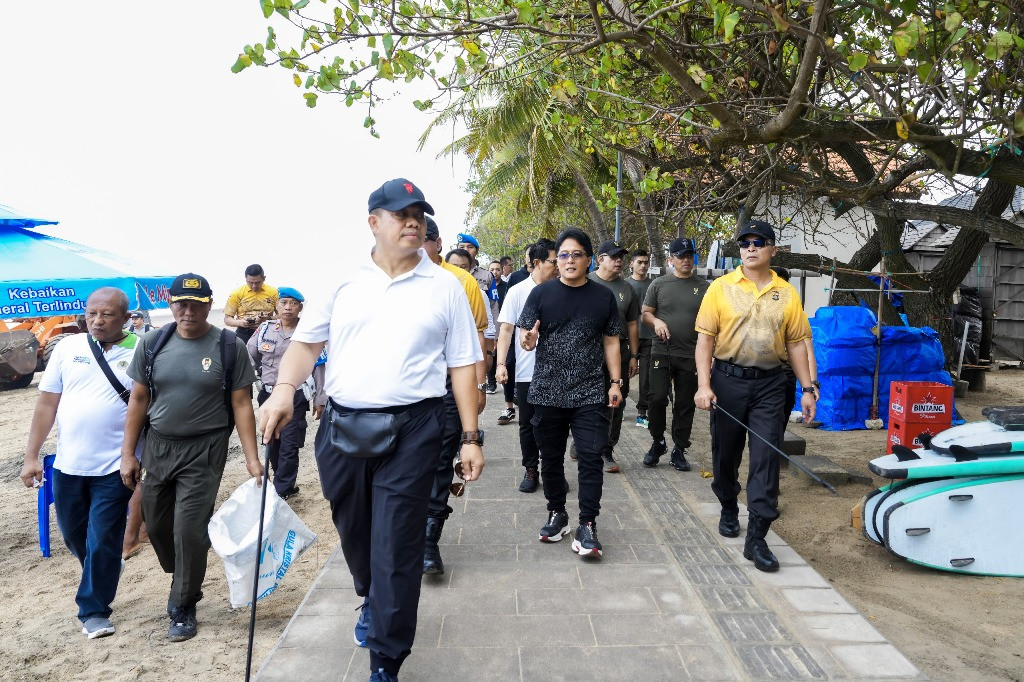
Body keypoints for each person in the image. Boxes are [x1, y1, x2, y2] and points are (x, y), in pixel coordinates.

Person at [258, 178, 483, 682]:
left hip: (415, 428)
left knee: (397, 544)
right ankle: (370, 595)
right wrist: (283, 391)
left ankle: (386, 658)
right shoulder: (343, 281)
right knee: (355, 531)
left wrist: (470, 436)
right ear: (373, 222)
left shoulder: (445, 287)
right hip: (341, 428)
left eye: (419, 215)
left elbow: (464, 365)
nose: (412, 222)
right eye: (401, 214)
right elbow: (306, 344)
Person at [120, 273, 264, 641]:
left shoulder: (229, 347)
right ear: (170, 305)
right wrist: (128, 455)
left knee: (188, 529)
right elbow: (139, 400)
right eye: (180, 303)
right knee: (158, 525)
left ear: (209, 305)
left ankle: (183, 605)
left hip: (205, 449)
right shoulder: (153, 343)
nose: (188, 311)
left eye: (196, 304)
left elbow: (242, 403)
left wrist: (252, 458)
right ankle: (183, 575)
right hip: (159, 446)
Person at [694, 220, 816, 573]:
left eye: (758, 242)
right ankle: (729, 506)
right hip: (728, 381)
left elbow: (796, 344)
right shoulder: (720, 288)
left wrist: (807, 389)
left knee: (766, 455)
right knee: (725, 454)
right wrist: (704, 385)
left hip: (771, 385)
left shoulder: (787, 294)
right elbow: (705, 341)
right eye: (744, 243)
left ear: (772, 250)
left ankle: (758, 536)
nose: (750, 248)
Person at [20, 287, 140, 640]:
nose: (98, 321)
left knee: (103, 536)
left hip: (114, 467)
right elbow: (46, 405)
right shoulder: (68, 348)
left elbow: (145, 406)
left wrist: (133, 457)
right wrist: (31, 457)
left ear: (125, 318)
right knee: (75, 534)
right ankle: (103, 569)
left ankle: (93, 610)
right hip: (68, 466)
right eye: (92, 314)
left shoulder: (140, 351)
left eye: (107, 315)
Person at [518, 227, 623, 559]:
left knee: (590, 458)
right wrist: (528, 341)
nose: (569, 260)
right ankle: (557, 513)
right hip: (547, 391)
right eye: (563, 254)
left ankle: (588, 524)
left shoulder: (603, 296)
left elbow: (611, 341)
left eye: (577, 254)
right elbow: (525, 334)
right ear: (556, 260)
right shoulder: (541, 294)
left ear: (589, 260)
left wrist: (615, 383)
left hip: (590, 391)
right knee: (549, 459)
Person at [421, 216, 489, 576]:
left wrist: (478, 388)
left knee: (438, 460)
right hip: (404, 392)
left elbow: (477, 338)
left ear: (437, 241)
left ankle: (429, 540)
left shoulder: (460, 282)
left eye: (426, 239)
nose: (419, 247)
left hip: (449, 386)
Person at [247, 286, 325, 499]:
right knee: (272, 441)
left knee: (289, 445)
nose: (288, 308)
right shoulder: (264, 330)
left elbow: (319, 366)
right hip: (268, 395)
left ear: (300, 308)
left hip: (295, 396)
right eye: (284, 303)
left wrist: (320, 398)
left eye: (293, 303)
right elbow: (248, 358)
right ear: (277, 305)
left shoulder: (309, 331)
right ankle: (283, 481)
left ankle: (282, 490)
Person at [496, 239, 559, 493]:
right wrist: (501, 364)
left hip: (558, 372)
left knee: (554, 425)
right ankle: (531, 469)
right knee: (528, 424)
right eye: (554, 262)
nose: (558, 266)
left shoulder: (563, 289)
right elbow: (506, 330)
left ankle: (553, 471)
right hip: (526, 371)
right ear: (536, 263)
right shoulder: (517, 291)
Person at [641, 238, 709, 472]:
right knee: (657, 398)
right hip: (662, 351)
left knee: (684, 404)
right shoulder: (658, 284)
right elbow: (646, 314)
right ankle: (658, 441)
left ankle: (679, 449)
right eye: (680, 256)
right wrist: (656, 321)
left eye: (689, 255)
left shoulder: (705, 287)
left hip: (691, 354)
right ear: (671, 259)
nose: (686, 260)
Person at [588, 240, 640, 473]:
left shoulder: (626, 288)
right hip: (588, 352)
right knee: (588, 400)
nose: (619, 261)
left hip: (619, 352)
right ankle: (584, 444)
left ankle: (607, 449)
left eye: (621, 257)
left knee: (616, 401)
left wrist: (634, 356)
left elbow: (632, 325)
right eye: (614, 256)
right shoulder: (586, 281)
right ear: (600, 259)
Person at [457, 233, 499, 392]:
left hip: (480, 332)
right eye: (462, 247)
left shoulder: (486, 275)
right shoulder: (447, 273)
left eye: (470, 247)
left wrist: (496, 335)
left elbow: (494, 306)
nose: (466, 249)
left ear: (476, 251)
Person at [627, 250, 654, 428]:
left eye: (646, 262)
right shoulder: (624, 285)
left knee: (646, 378)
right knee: (623, 374)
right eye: (639, 262)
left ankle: (642, 413)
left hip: (649, 338)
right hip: (628, 339)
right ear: (632, 264)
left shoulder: (654, 285)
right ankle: (618, 406)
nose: (643, 265)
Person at [223, 264, 278, 343]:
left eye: (257, 282)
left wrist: (268, 319)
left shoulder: (274, 292)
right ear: (246, 279)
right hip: (243, 332)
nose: (254, 286)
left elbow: (281, 316)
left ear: (264, 278)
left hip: (267, 331)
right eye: (250, 282)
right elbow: (227, 319)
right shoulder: (237, 293)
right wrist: (240, 323)